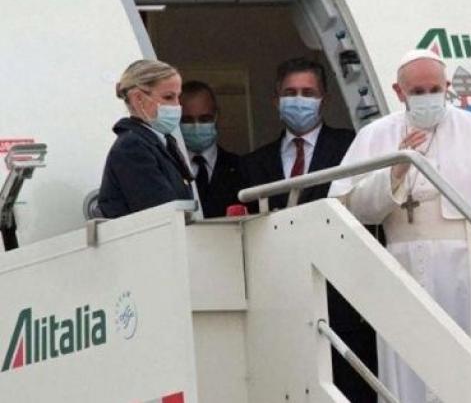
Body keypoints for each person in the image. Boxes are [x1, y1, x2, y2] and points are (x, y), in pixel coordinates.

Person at [329, 49, 471, 403]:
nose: (428, 97)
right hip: (404, 268)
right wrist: (393, 172)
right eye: (417, 91)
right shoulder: (376, 134)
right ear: (399, 92)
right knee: (410, 371)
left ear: (447, 87)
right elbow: (354, 209)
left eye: (435, 89)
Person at [240, 57, 376, 402]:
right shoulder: (254, 162)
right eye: (290, 93)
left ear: (323, 99)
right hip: (279, 298)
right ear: (275, 101)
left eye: (307, 92)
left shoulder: (352, 148)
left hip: (341, 299)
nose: (298, 100)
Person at [99, 59, 193, 218]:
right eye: (169, 97)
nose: (177, 105)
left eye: (178, 97)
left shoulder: (161, 142)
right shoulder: (132, 147)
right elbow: (159, 213)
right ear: (138, 99)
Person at [180, 80, 243, 218]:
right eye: (188, 120)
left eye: (204, 119)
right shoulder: (169, 168)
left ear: (216, 117)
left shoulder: (242, 167)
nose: (196, 126)